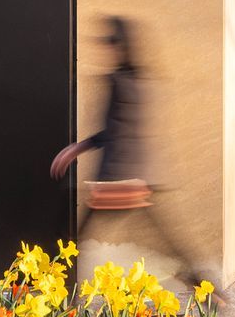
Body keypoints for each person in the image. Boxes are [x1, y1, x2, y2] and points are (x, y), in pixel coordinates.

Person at [51, 15, 200, 283]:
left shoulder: (118, 81)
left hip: (121, 177)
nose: (106, 49)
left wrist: (76, 150)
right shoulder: (145, 79)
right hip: (144, 176)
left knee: (75, 242)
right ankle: (206, 287)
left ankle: (66, 297)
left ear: (119, 46)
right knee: (165, 240)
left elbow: (115, 132)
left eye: (109, 44)